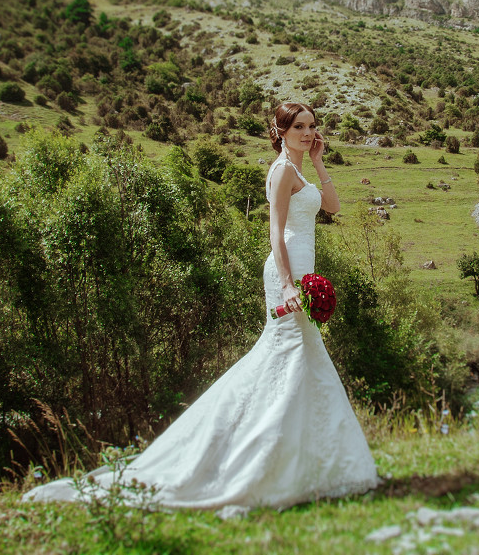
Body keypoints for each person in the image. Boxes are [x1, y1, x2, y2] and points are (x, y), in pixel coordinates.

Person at [23, 101, 379, 510]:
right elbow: (275, 232)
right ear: (280, 130)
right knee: (286, 358)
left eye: (311, 126)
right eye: (298, 126)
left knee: (304, 359)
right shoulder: (281, 171)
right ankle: (255, 463)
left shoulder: (300, 168)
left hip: (304, 269)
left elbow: (332, 207)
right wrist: (286, 285)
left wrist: (318, 163)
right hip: (287, 273)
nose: (307, 132)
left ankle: (306, 465)